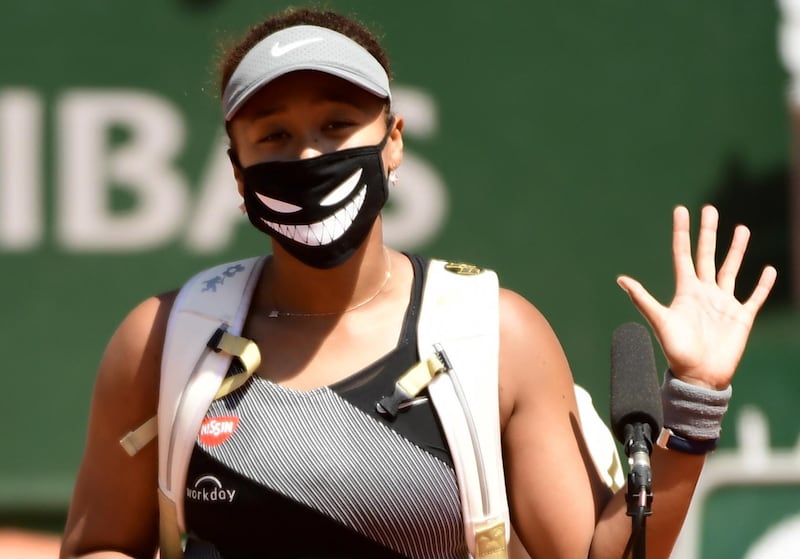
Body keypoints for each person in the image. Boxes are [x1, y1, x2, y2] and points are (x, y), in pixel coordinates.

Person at [59, 6, 777, 559]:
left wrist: (696, 406)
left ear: (393, 140)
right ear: (237, 170)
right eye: (273, 136)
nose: (309, 154)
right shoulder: (163, 340)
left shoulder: (494, 335)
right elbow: (98, 544)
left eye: (338, 125)